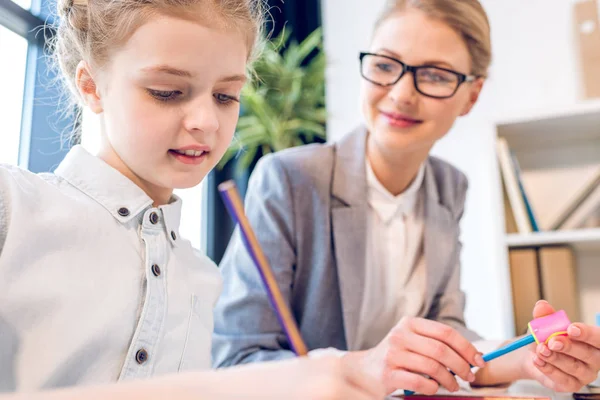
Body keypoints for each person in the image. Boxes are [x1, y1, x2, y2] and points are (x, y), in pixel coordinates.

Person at [0, 0, 385, 399]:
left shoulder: (204, 279)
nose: (207, 121)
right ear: (91, 86)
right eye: (167, 92)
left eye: (225, 96)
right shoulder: (13, 210)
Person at [213, 0, 600, 395]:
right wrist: (360, 367)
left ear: (471, 95)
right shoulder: (290, 179)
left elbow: (446, 332)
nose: (401, 94)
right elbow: (235, 359)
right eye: (384, 66)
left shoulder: (449, 187)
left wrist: (524, 359)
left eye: (434, 75)